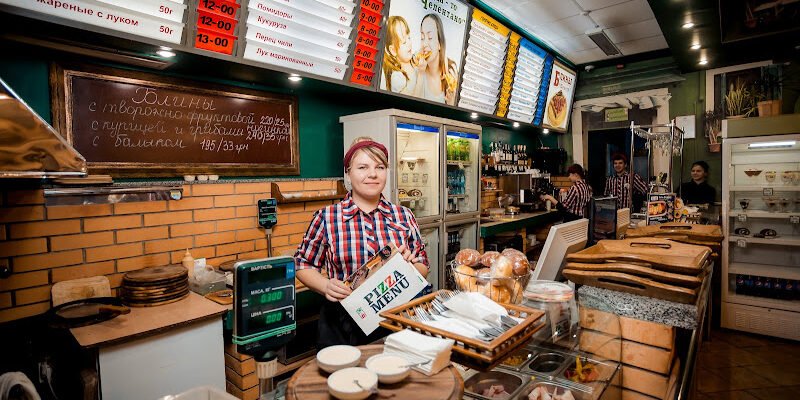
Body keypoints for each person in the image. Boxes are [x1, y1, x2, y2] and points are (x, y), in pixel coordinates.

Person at [294, 137, 429, 348]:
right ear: (348, 173)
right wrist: (326, 286)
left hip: (395, 320)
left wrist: (410, 268)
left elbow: (422, 264)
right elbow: (303, 264)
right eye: (363, 167)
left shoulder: (404, 216)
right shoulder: (327, 218)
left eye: (380, 167)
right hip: (341, 324)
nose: (372, 174)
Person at [414, 13, 458, 105]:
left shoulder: (451, 71)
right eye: (422, 38)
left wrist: (452, 103)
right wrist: (420, 74)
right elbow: (410, 108)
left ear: (439, 44)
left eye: (430, 38)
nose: (424, 44)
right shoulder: (416, 68)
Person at [381, 16, 417, 95]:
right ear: (393, 50)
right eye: (404, 42)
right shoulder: (398, 77)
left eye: (409, 38)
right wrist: (420, 73)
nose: (409, 43)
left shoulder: (416, 59)